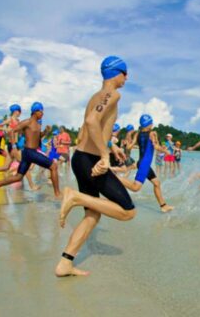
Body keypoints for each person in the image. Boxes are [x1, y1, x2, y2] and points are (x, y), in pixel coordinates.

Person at [56, 56, 137, 277]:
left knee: (93, 214)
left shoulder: (96, 97)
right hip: (91, 161)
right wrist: (104, 155)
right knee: (128, 212)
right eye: (125, 73)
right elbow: (92, 122)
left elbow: (87, 130)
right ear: (117, 73)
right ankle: (74, 197)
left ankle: (65, 263)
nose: (127, 77)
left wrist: (111, 146)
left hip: (81, 158)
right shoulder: (112, 94)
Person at [0, 102, 60, 198]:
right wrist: (13, 146)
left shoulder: (38, 125)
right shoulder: (27, 122)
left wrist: (46, 131)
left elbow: (38, 138)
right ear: (35, 111)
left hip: (29, 153)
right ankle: (58, 194)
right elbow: (13, 131)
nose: (43, 114)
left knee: (18, 177)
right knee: (53, 166)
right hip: (30, 152)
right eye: (41, 111)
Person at [117, 114, 174, 213]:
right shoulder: (153, 133)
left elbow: (129, 147)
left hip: (142, 162)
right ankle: (114, 178)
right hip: (144, 164)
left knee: (157, 183)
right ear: (149, 124)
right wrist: (166, 151)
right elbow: (156, 147)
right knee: (135, 187)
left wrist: (126, 143)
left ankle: (163, 206)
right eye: (151, 122)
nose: (152, 124)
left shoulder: (137, 134)